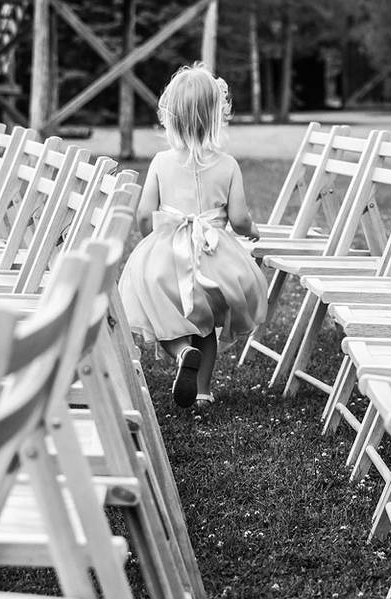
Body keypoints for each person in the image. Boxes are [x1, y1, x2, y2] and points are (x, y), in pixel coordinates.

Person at [119, 63, 267, 408]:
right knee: (207, 327)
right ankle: (202, 392)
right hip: (214, 262)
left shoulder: (160, 162)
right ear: (218, 115)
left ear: (170, 116)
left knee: (163, 319)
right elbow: (240, 218)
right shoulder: (227, 165)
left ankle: (182, 351)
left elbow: (144, 213)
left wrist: (149, 242)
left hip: (167, 259)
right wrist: (252, 230)